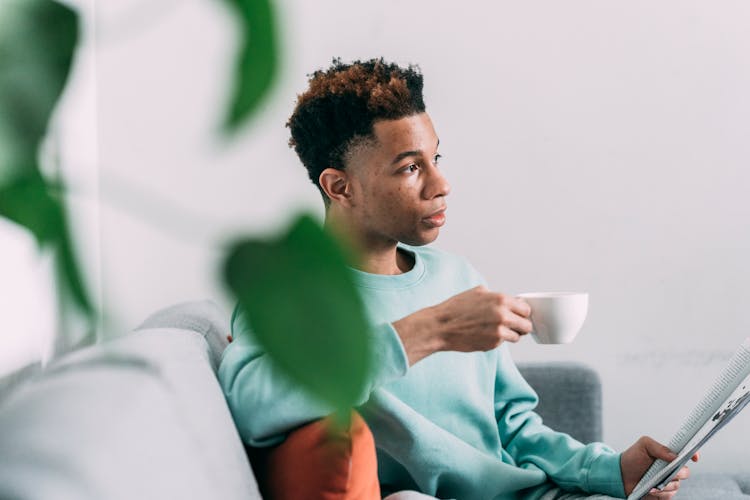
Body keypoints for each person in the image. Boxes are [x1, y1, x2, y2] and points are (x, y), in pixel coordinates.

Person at [219, 58, 696, 499]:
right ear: (339, 186)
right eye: (410, 167)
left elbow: (512, 425)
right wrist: (433, 330)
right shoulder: (294, 296)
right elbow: (251, 404)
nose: (441, 184)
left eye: (436, 160)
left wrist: (610, 471)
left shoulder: (456, 275)